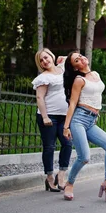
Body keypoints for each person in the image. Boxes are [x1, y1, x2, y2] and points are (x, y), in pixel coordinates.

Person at [61, 51, 106, 202]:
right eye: (76, 60)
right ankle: (69, 183)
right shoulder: (79, 80)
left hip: (91, 121)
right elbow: (72, 103)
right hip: (79, 120)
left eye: (80, 56)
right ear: (75, 68)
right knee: (84, 157)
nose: (81, 59)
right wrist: (66, 127)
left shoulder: (96, 74)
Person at [32, 48, 72, 192]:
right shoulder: (44, 77)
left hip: (64, 116)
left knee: (67, 144)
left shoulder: (62, 70)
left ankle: (61, 175)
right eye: (41, 60)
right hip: (49, 117)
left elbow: (74, 58)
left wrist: (63, 57)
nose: (45, 61)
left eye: (46, 57)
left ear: (51, 56)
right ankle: (49, 178)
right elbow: (39, 97)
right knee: (49, 147)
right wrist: (44, 117)